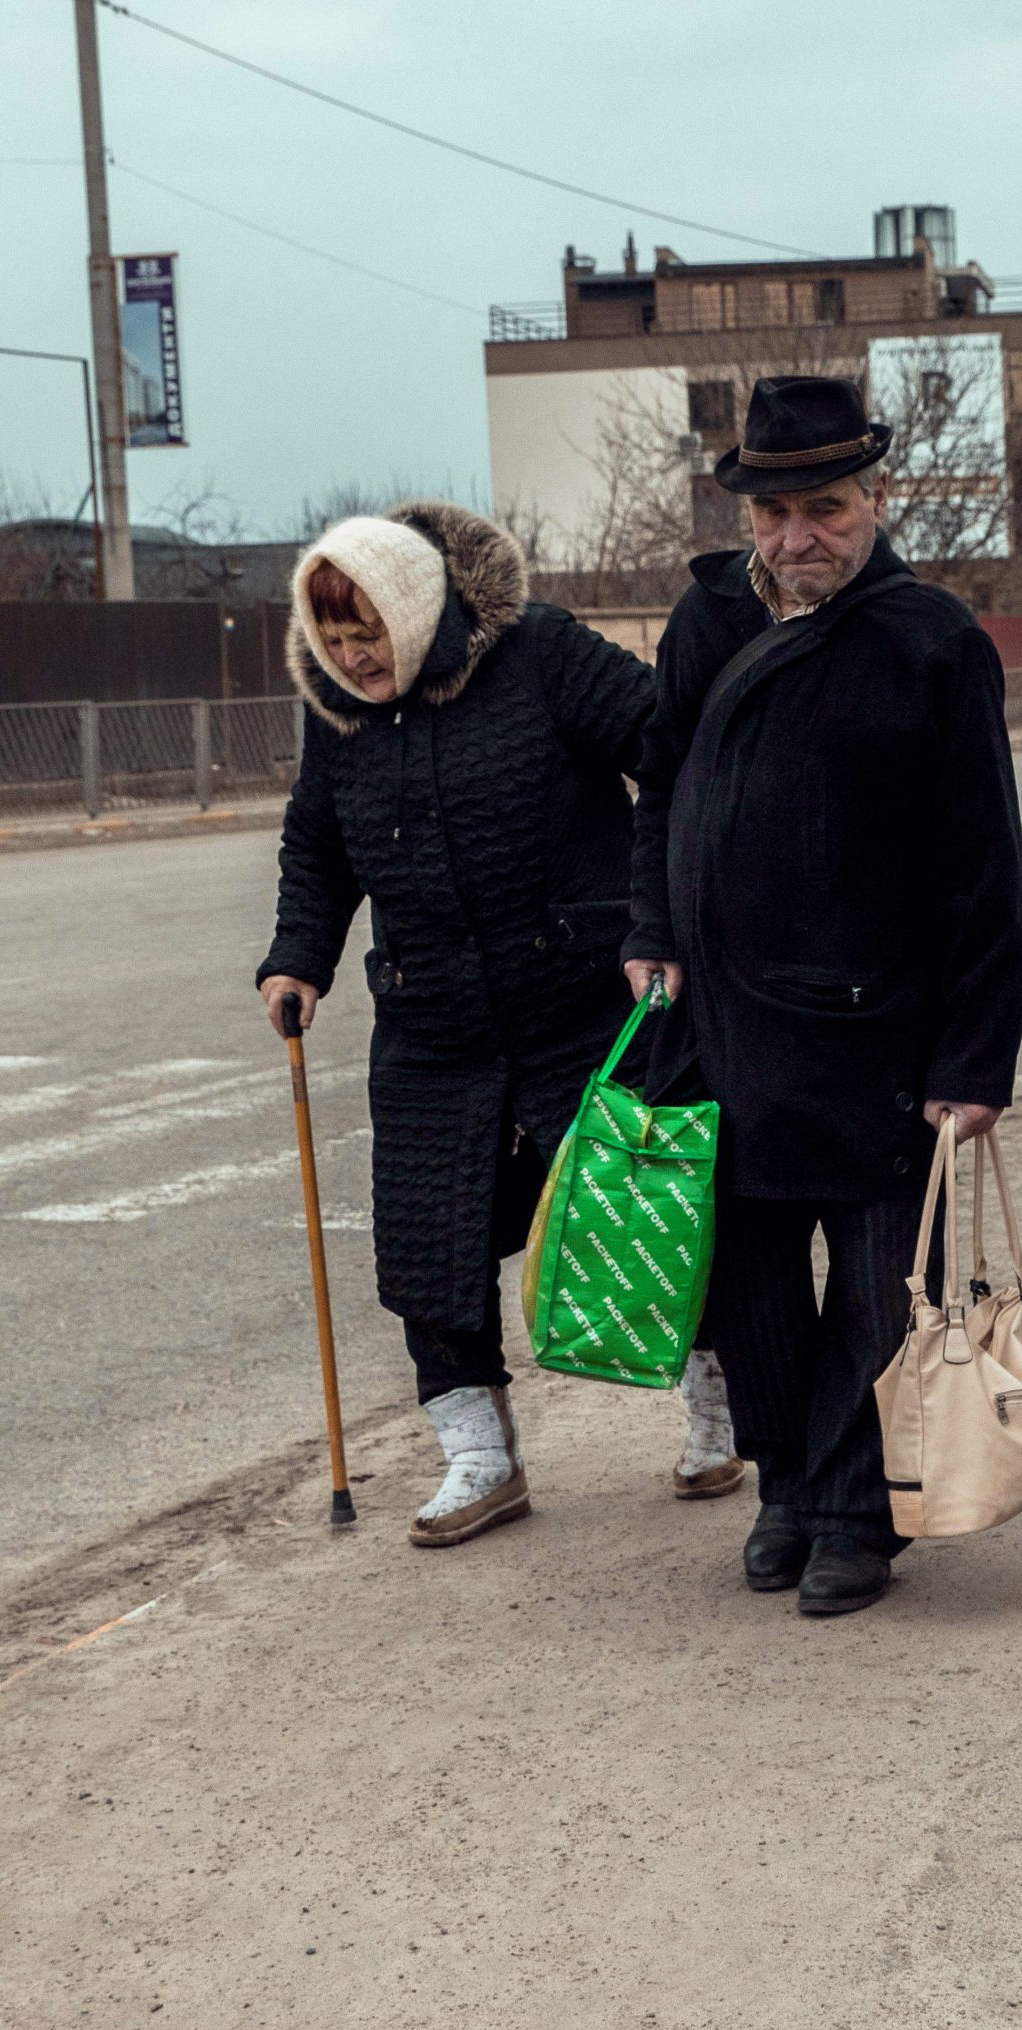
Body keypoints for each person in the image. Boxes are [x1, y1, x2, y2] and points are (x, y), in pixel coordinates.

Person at [623, 376, 1022, 1618]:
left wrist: (971, 1066)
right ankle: (787, 1487)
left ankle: (859, 1509)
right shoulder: (703, 624)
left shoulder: (932, 641)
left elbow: (983, 870)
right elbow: (655, 791)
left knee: (869, 1292)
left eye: (828, 510)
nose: (800, 539)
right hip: (721, 1028)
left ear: (877, 497)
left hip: (872, 1028)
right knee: (745, 1287)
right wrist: (650, 930)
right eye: (777, 514)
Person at [255, 501, 659, 1546]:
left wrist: (654, 912)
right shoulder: (337, 711)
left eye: (368, 633)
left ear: (416, 607)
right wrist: (299, 955)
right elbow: (318, 841)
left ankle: (715, 1399)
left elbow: (667, 748)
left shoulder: (539, 652)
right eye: (334, 642)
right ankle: (479, 1452)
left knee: (636, 1208)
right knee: (429, 1239)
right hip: (433, 1019)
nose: (354, 657)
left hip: (578, 1003)